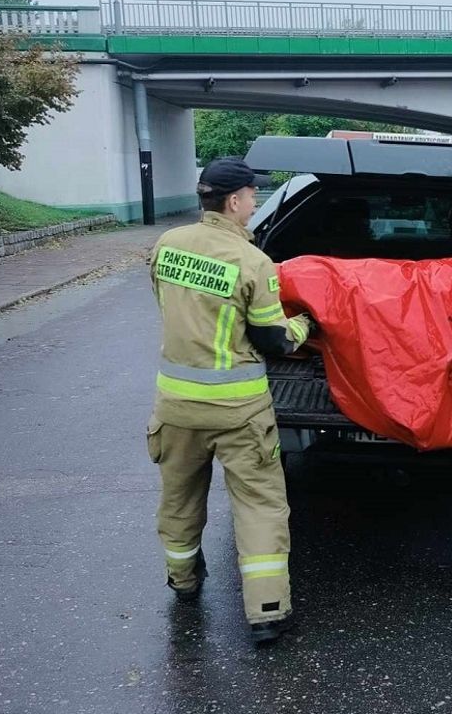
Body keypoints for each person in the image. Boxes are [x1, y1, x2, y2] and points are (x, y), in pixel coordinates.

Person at [146, 158, 314, 645]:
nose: (255, 202)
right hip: (239, 410)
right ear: (234, 201)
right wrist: (307, 324)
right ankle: (266, 613)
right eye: (251, 195)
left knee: (179, 499)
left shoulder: (167, 244)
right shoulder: (253, 262)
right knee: (259, 506)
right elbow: (275, 340)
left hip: (175, 405)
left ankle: (183, 582)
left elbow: (168, 305)